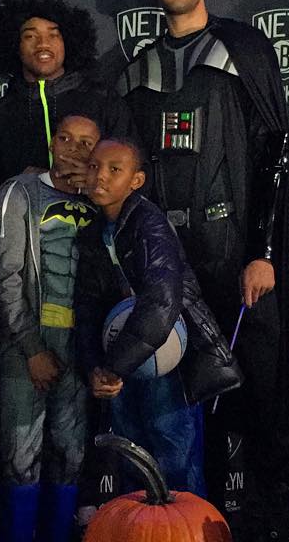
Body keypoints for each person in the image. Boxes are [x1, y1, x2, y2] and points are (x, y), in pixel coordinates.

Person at [118, 0, 289, 534]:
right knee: (189, 400)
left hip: (234, 257)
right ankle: (201, 519)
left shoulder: (241, 50)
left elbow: (274, 154)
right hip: (171, 264)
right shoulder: (137, 66)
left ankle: (277, 518)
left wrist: (263, 252)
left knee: (261, 388)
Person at [74, 138, 212, 495]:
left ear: (136, 180)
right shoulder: (92, 233)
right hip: (121, 363)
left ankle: (184, 525)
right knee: (132, 456)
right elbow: (87, 308)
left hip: (163, 361)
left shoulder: (149, 225)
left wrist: (113, 368)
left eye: (114, 170)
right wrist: (95, 367)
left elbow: (161, 303)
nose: (100, 176)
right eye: (94, 167)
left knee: (173, 457)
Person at [0, 114, 100, 542]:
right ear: (52, 143)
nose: (74, 149)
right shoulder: (20, 192)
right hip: (26, 348)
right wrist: (32, 348)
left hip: (79, 348)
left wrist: (94, 192)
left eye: (86, 143)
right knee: (21, 458)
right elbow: (6, 278)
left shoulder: (103, 200)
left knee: (71, 456)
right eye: (66, 138)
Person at [0, 0, 133, 208]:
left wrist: (96, 179)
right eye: (30, 36)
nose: (43, 44)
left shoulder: (104, 103)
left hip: (96, 227)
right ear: (14, 45)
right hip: (23, 229)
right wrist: (20, 185)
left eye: (53, 35)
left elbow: (136, 175)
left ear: (68, 42)